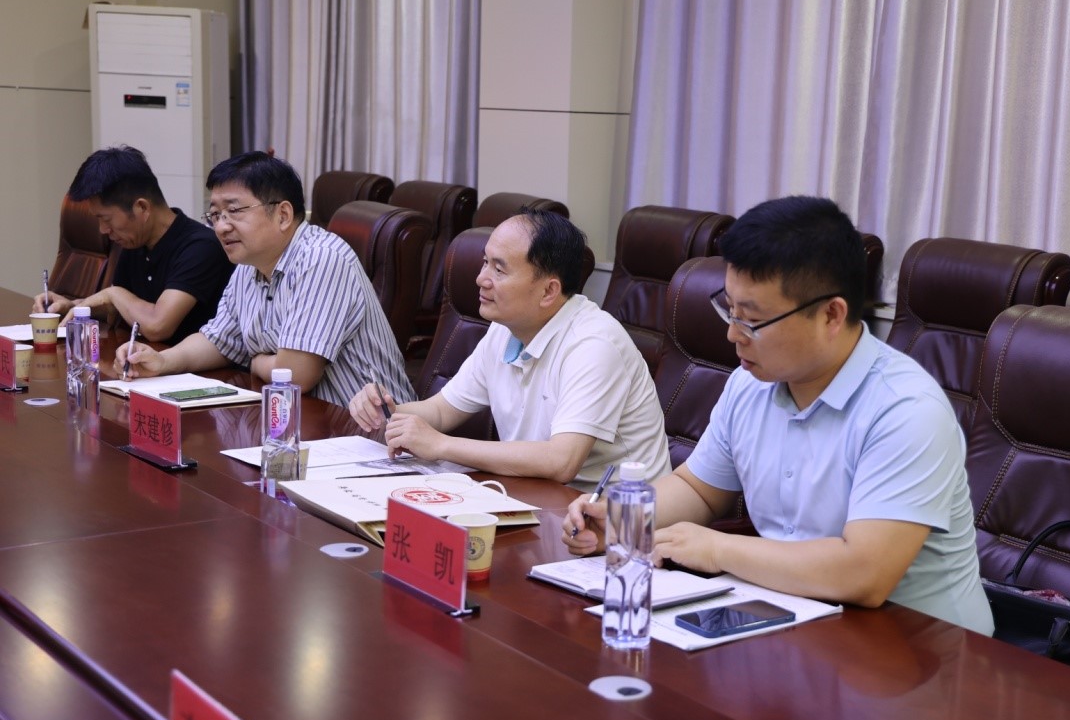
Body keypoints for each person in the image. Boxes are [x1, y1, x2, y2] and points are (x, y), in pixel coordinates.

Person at [563, 196, 994, 635]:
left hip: (920, 648)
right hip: (798, 619)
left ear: (831, 315)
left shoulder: (905, 411)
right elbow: (699, 490)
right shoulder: (751, 384)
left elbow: (864, 574)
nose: (732, 334)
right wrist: (622, 522)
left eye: (751, 320)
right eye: (729, 309)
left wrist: (716, 550)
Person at [348, 209, 671, 494]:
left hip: (618, 519)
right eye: (485, 262)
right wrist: (389, 411)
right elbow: (442, 411)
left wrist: (441, 445)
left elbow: (561, 461)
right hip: (537, 498)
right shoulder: (505, 330)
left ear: (549, 291)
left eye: (499, 270)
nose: (481, 278)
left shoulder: (594, 345)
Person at [116, 151, 415, 407]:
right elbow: (218, 340)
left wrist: (257, 362)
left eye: (234, 211)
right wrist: (161, 361)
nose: (221, 227)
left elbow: (296, 374)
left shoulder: (321, 258)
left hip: (374, 435)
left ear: (283, 215)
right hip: (301, 421)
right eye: (215, 215)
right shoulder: (249, 265)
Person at [33, 146, 232, 342]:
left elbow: (157, 325)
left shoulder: (200, 247)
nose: (102, 229)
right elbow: (119, 309)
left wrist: (113, 293)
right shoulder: (134, 243)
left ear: (141, 207)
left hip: (189, 362)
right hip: (141, 357)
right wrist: (73, 307)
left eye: (106, 219)